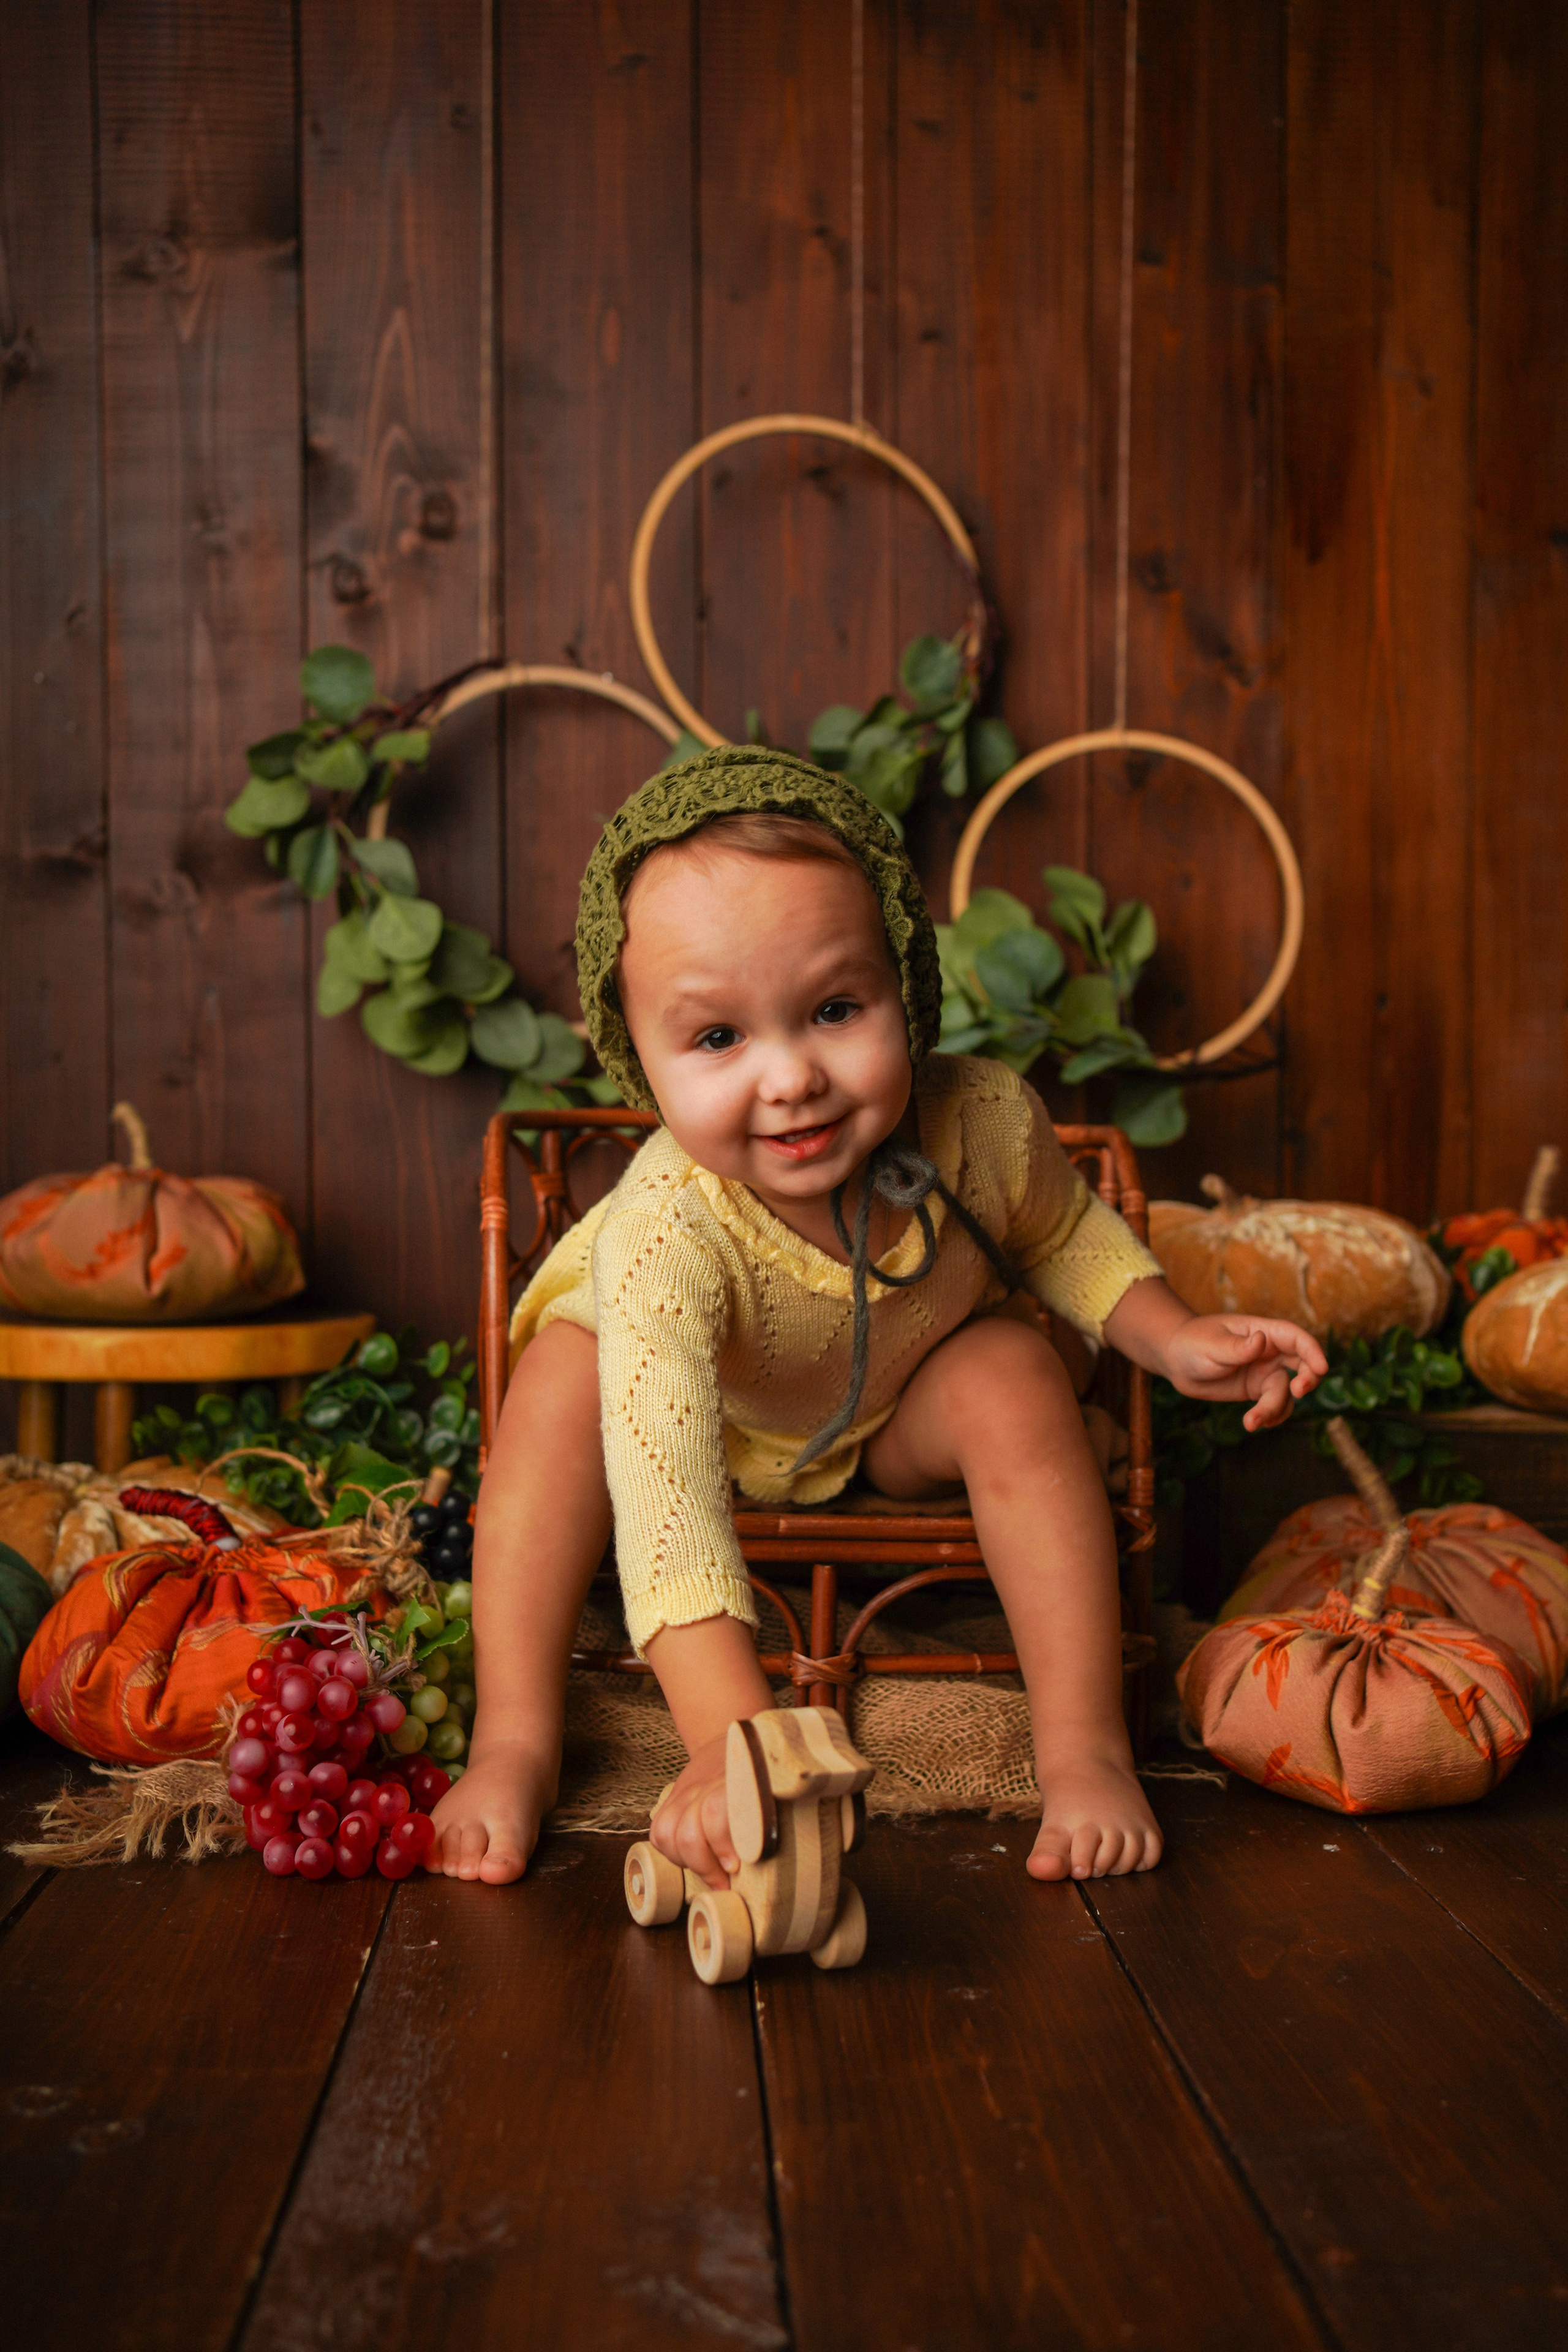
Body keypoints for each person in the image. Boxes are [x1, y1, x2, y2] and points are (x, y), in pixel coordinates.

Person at [430, 747, 1325, 1890]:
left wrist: (1170, 1333)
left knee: (1007, 1366)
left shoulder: (979, 1122)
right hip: (674, 1427)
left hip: (885, 1414)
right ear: (639, 1062)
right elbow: (666, 1515)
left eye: (835, 1009)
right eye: (717, 1040)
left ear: (907, 987)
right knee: (558, 1386)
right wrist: (731, 1742)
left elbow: (1061, 1237)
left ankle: (1087, 1747)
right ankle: (514, 1737)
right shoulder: (664, 1231)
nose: (792, 1076)